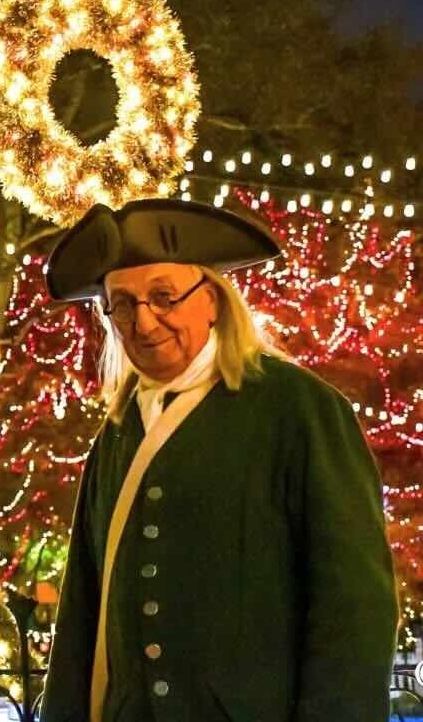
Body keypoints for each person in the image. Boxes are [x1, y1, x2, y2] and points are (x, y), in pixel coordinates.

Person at [40, 198, 399, 722]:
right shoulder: (116, 435)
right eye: (123, 304)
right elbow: (81, 610)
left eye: (163, 296)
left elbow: (354, 606)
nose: (144, 321)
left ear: (211, 300)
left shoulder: (299, 410)